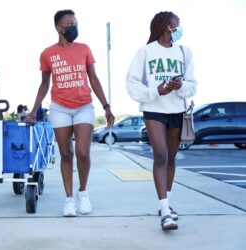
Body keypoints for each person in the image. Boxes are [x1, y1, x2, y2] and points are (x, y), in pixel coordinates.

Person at [27, 9, 114, 217]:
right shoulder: (47, 54)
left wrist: (106, 106)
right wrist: (34, 109)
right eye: (70, 25)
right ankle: (69, 200)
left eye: (75, 23)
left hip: (84, 106)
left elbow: (93, 79)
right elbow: (44, 84)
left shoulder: (84, 49)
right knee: (66, 154)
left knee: (83, 152)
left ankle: (83, 193)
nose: (74, 28)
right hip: (59, 108)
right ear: (59, 29)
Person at [126, 11, 197, 230]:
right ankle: (165, 211)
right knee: (161, 156)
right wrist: (156, 90)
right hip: (153, 110)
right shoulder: (145, 52)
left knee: (172, 159)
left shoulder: (184, 52)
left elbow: (192, 85)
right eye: (178, 22)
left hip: (176, 110)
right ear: (167, 25)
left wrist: (179, 86)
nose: (180, 25)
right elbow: (132, 84)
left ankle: (167, 202)